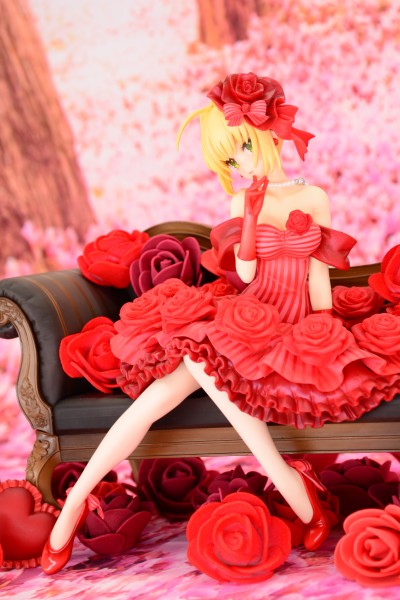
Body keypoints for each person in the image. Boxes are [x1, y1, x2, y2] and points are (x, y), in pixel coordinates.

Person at [41, 73, 400, 574]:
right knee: (161, 394)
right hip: (247, 316)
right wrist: (250, 218)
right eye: (228, 161)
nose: (239, 166)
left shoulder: (313, 198)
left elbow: (319, 275)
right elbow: (246, 274)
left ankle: (75, 507)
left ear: (268, 135)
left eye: (242, 150)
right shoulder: (241, 201)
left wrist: (323, 333)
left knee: (178, 384)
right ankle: (77, 503)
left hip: (289, 326)